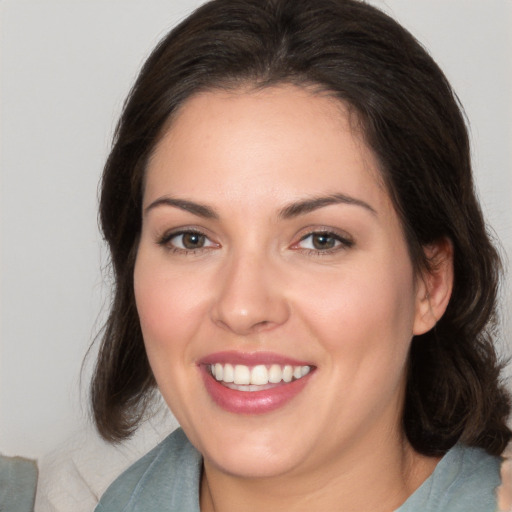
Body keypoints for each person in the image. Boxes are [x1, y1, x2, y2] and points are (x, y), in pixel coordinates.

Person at [90, 0, 511, 510]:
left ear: (430, 283)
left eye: (321, 240)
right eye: (191, 239)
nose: (242, 307)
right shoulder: (126, 498)